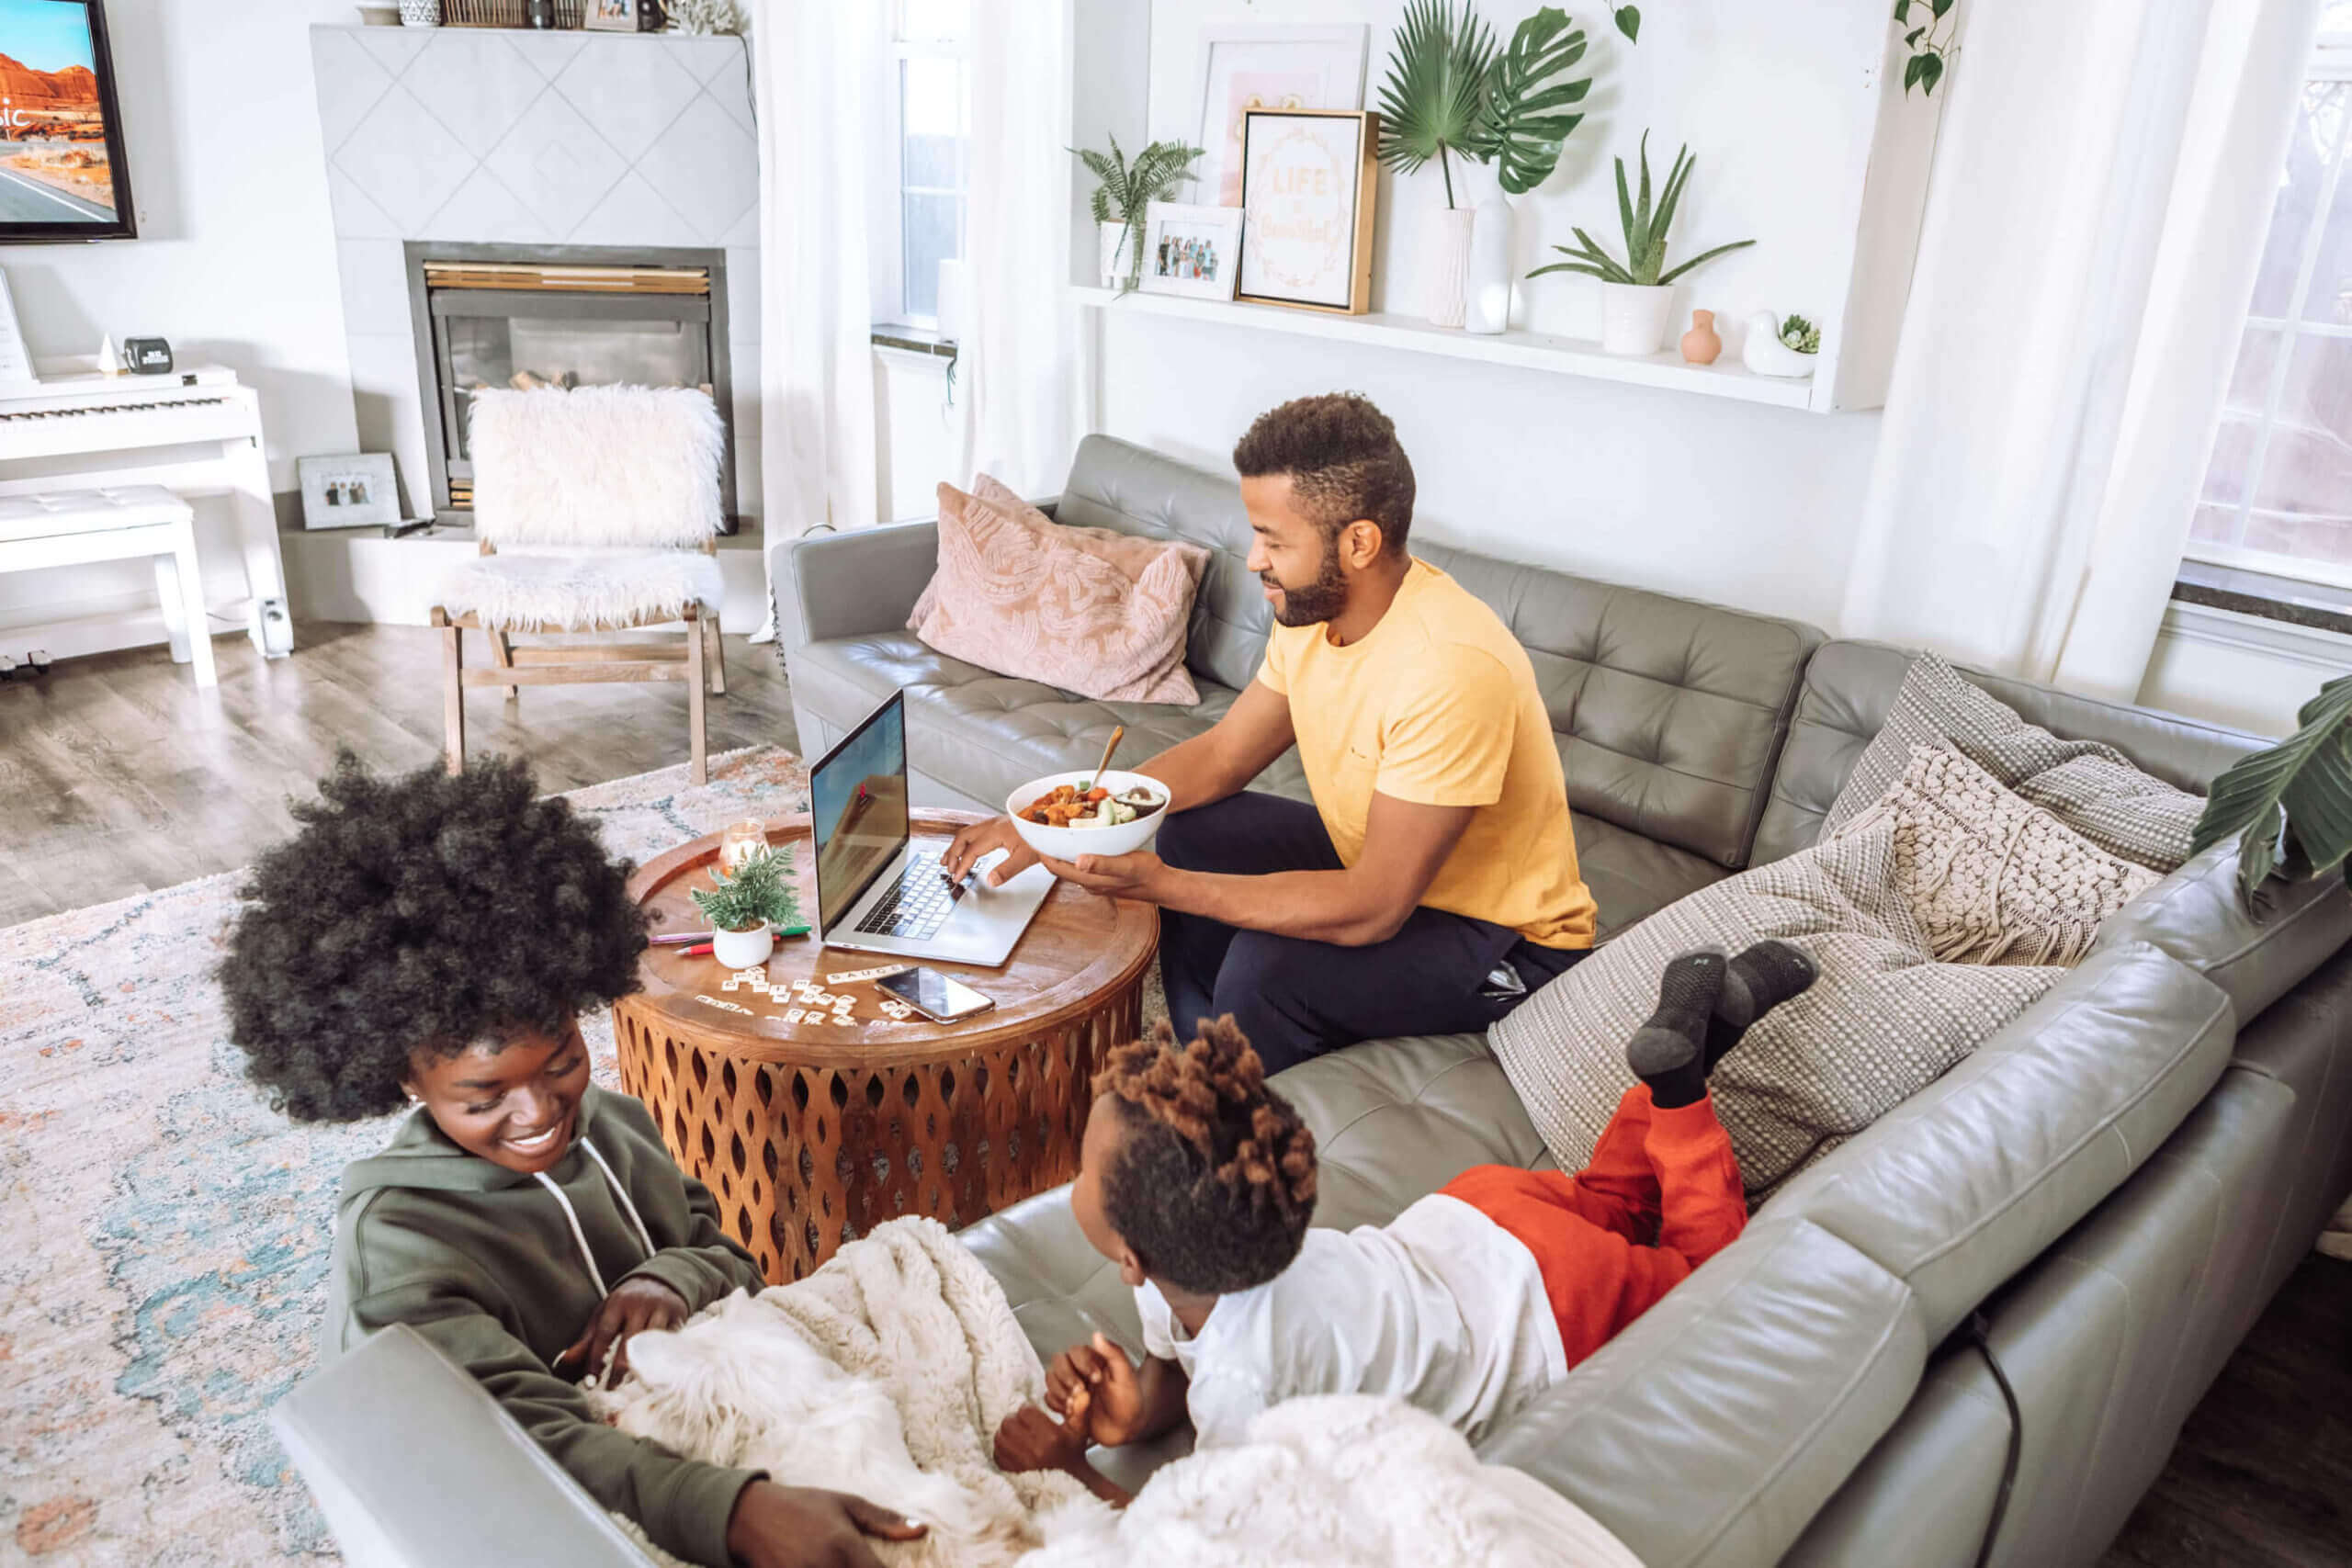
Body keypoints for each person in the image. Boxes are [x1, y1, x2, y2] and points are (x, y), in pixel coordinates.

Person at [219, 753, 928, 1568]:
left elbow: (726, 1255)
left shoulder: (615, 1126)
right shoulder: (401, 1245)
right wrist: (732, 1512)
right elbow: (507, 1444)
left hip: (703, 1431)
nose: (542, 1112)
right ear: (402, 1075)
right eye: (485, 1098)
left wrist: (666, 1278)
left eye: (560, 1060)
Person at [990, 942, 1815, 1505]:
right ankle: (1691, 1050)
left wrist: (1071, 1472)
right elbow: (1174, 1368)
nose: (1074, 1178)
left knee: (1703, 1277)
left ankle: (1679, 1092)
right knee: (1613, 1197)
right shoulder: (1212, 1242)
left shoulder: (1238, 1372)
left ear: (1130, 1257)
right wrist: (1136, 1411)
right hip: (1479, 1215)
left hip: (1541, 1306)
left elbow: (1202, 1544)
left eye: (1084, 1174)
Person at [944, 392, 1600, 1075]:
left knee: (1266, 965)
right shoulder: (1313, 613)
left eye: (1275, 539)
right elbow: (1224, 756)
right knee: (1191, 828)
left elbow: (1374, 906)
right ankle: (1214, 1060)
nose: (1254, 557)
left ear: (1359, 542)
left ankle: (1241, 1106)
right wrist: (1055, 822)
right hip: (1379, 865)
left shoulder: (1450, 665)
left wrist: (1163, 885)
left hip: (1506, 941)